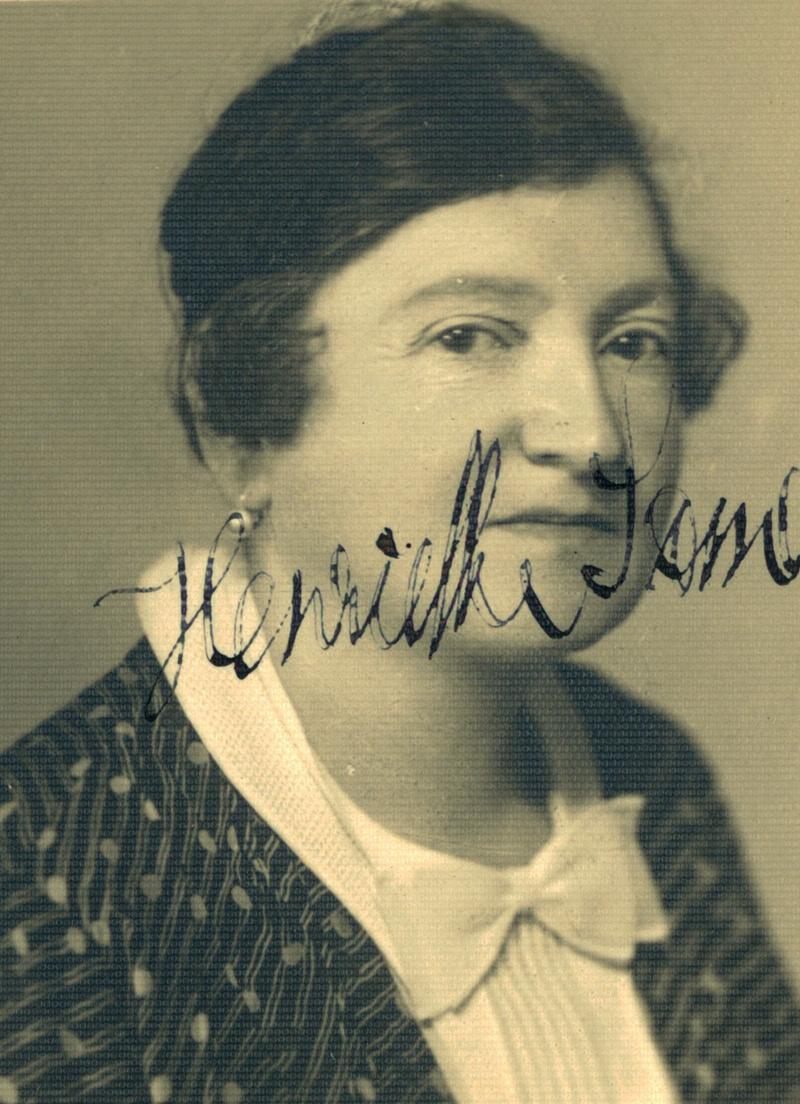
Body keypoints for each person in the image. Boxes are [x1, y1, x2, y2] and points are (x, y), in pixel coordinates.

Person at [1, 3, 798, 1101]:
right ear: (241, 420)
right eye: (466, 335)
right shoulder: (46, 870)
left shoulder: (649, 774)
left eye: (632, 342)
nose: (594, 436)